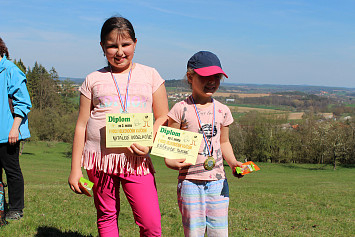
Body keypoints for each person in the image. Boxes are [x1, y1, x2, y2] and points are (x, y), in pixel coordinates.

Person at [68, 16, 169, 237]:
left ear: (135, 42)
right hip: (99, 160)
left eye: (126, 44)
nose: (119, 51)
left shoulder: (151, 75)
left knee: (150, 223)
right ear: (102, 47)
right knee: (107, 216)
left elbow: (163, 117)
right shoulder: (93, 79)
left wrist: (149, 140)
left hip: (136, 160)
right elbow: (81, 125)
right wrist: (75, 169)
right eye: (112, 46)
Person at [165, 51, 243, 236]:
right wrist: (170, 161)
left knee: (219, 232)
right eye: (206, 76)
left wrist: (233, 163)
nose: (212, 81)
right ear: (190, 77)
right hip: (190, 182)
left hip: (218, 182)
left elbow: (224, 142)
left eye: (216, 77)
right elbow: (170, 143)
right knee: (194, 232)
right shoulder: (180, 109)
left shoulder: (223, 110)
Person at [0, 37, 32, 220]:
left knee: (12, 172)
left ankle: (16, 209)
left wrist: (15, 129)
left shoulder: (11, 71)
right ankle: (1, 208)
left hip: (9, 133)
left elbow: (23, 103)